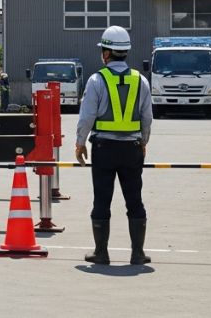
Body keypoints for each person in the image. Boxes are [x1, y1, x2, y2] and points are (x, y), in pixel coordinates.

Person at [75, 25, 153, 265]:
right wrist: (143, 141)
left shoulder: (96, 80)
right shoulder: (141, 81)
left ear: (106, 53)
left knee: (102, 200)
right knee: (135, 200)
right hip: (131, 149)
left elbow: (87, 116)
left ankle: (101, 253)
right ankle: (137, 254)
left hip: (104, 149)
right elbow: (147, 118)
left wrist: (80, 143)